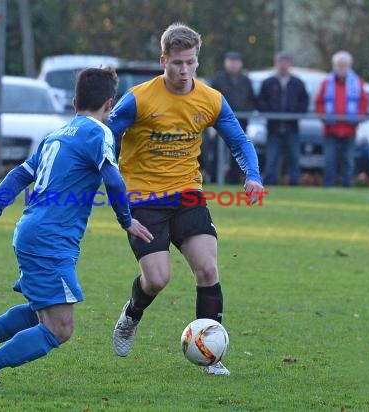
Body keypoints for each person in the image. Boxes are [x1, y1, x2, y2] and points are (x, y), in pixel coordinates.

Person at [0, 68, 153, 389]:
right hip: (50, 238)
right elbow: (114, 180)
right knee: (60, 328)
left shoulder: (56, 135)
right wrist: (127, 220)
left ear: (73, 102)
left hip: (31, 230)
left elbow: (20, 173)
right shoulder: (99, 133)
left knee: (38, 311)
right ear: (110, 105)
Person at [108, 23, 264, 376]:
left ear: (197, 60)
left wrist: (252, 175)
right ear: (163, 60)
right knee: (157, 279)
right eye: (177, 63)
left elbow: (239, 142)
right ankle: (132, 315)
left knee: (208, 268)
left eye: (190, 62)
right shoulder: (138, 98)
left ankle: (211, 355)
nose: (183, 70)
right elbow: (104, 138)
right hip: (143, 199)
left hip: (188, 193)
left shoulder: (210, 99)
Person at [315, 50, 368, 187]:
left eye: (344, 64)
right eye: (339, 64)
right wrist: (323, 116)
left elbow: (363, 102)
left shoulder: (358, 83)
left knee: (348, 160)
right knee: (329, 159)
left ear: (350, 65)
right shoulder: (326, 83)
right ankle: (328, 185)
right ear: (334, 65)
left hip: (349, 129)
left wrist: (359, 116)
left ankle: (347, 185)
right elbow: (319, 101)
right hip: (330, 128)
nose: (341, 67)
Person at [257, 51, 309, 186]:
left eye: (285, 62)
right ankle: (270, 182)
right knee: (271, 157)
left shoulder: (297, 83)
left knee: (294, 157)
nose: (283, 66)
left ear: (290, 64)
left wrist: (295, 113)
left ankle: (294, 182)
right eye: (280, 62)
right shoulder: (268, 82)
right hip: (273, 127)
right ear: (276, 64)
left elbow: (304, 101)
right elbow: (260, 101)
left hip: (292, 128)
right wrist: (271, 113)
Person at [210, 51, 256, 184]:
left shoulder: (245, 80)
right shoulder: (218, 79)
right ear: (225, 63)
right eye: (231, 61)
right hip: (220, 122)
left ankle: (234, 179)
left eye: (236, 61)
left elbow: (251, 100)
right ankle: (214, 178)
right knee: (217, 151)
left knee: (239, 151)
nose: (233, 64)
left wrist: (245, 111)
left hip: (240, 122)